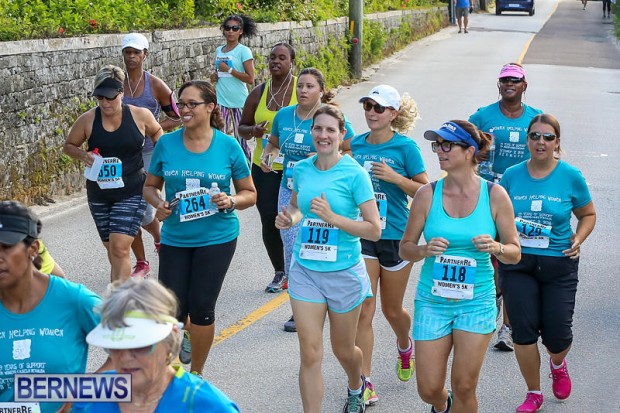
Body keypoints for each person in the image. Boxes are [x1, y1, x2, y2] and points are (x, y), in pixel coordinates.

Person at [399, 120, 521, 413]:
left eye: (447, 145)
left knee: (465, 385)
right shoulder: (427, 194)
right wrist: (424, 250)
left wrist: (496, 247)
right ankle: (443, 404)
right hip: (433, 301)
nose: (439, 151)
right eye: (437, 145)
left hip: (476, 302)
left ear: (469, 151)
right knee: (428, 389)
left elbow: (514, 253)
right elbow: (405, 248)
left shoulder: (495, 195)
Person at [143, 80, 256, 376]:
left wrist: (231, 200)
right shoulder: (166, 143)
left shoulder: (228, 146)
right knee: (173, 310)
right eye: (181, 104)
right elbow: (150, 187)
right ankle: (180, 350)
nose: (185, 109)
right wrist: (159, 204)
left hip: (217, 237)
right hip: (176, 237)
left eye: (192, 104)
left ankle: (197, 374)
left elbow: (250, 193)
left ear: (210, 107)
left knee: (202, 308)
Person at [275, 105, 381, 413]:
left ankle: (356, 384)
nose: (323, 135)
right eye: (318, 129)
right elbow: (297, 207)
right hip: (305, 270)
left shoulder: (355, 174)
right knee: (309, 353)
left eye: (330, 130)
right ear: (311, 132)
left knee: (344, 350)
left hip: (343, 272)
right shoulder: (302, 169)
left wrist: (333, 218)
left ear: (341, 134)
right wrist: (289, 218)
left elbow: (374, 229)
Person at [498, 114, 596, 413]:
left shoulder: (570, 176)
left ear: (557, 142)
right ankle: (534, 392)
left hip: (558, 264)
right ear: (527, 139)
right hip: (518, 263)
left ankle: (557, 362)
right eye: (535, 136)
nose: (541, 142)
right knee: (523, 332)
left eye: (548, 137)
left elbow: (588, 214)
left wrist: (579, 238)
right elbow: (497, 215)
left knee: (558, 337)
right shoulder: (511, 176)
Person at [350, 85, 429, 406]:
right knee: (365, 309)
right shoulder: (355, 144)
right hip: (365, 234)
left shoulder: (406, 148)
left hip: (396, 235)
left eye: (379, 108)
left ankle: (404, 343)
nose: (371, 112)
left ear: (393, 113)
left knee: (391, 309)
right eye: (368, 106)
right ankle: (365, 381)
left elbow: (425, 191)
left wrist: (395, 178)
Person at [262, 67, 356, 333]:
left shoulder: (329, 117)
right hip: (290, 189)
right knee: (292, 246)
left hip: (324, 191)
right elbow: (273, 143)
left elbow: (349, 149)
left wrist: (328, 162)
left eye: (310, 86)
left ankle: (329, 297)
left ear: (321, 91)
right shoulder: (283, 115)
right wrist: (268, 156)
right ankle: (299, 307)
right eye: (300, 86)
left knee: (318, 244)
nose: (303, 90)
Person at [0, 200, 109, 413]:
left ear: (33, 249)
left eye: (7, 247)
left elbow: (142, 347)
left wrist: (83, 394)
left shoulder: (74, 300)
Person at [72, 279, 240, 412]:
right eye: (116, 345)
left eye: (139, 345)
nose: (125, 357)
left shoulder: (208, 406)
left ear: (170, 339)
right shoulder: (89, 394)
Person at [64, 65, 163, 282]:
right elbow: (69, 146)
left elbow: (157, 133)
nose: (105, 102)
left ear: (121, 93)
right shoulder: (88, 119)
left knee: (119, 247)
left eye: (110, 97)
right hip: (99, 194)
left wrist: (159, 159)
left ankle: (119, 296)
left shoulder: (140, 115)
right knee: (112, 250)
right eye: (100, 97)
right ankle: (121, 291)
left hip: (133, 190)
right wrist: (83, 155)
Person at [469, 62, 542, 352]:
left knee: (511, 259)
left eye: (515, 80)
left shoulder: (536, 119)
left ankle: (508, 329)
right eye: (505, 80)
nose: (509, 84)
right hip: (486, 195)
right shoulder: (482, 116)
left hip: (519, 197)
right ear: (499, 85)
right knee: (489, 255)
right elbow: (465, 148)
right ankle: (494, 297)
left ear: (524, 85)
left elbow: (546, 156)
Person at [121, 32, 182, 279]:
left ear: (145, 54)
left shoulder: (156, 85)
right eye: (127, 52)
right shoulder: (116, 83)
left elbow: (177, 117)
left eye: (136, 52)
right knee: (127, 209)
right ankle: (141, 262)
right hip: (121, 154)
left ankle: (158, 240)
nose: (131, 57)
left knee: (144, 210)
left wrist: (152, 127)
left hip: (148, 152)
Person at [238, 42, 298, 293]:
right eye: (272, 57)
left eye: (282, 58)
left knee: (295, 219)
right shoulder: (258, 93)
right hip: (264, 167)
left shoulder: (301, 90)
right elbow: (242, 127)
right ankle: (280, 271)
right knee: (269, 218)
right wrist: (254, 130)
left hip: (296, 168)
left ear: (291, 62)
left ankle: (299, 270)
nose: (275, 61)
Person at [210, 14, 258, 162]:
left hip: (239, 101)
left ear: (240, 31)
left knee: (241, 139)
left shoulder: (244, 51)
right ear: (223, 30)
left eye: (235, 28)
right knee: (219, 137)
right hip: (221, 100)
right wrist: (215, 76)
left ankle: (246, 169)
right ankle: (221, 167)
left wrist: (229, 70)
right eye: (228, 28)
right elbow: (219, 72)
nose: (231, 31)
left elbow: (250, 78)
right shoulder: (219, 50)